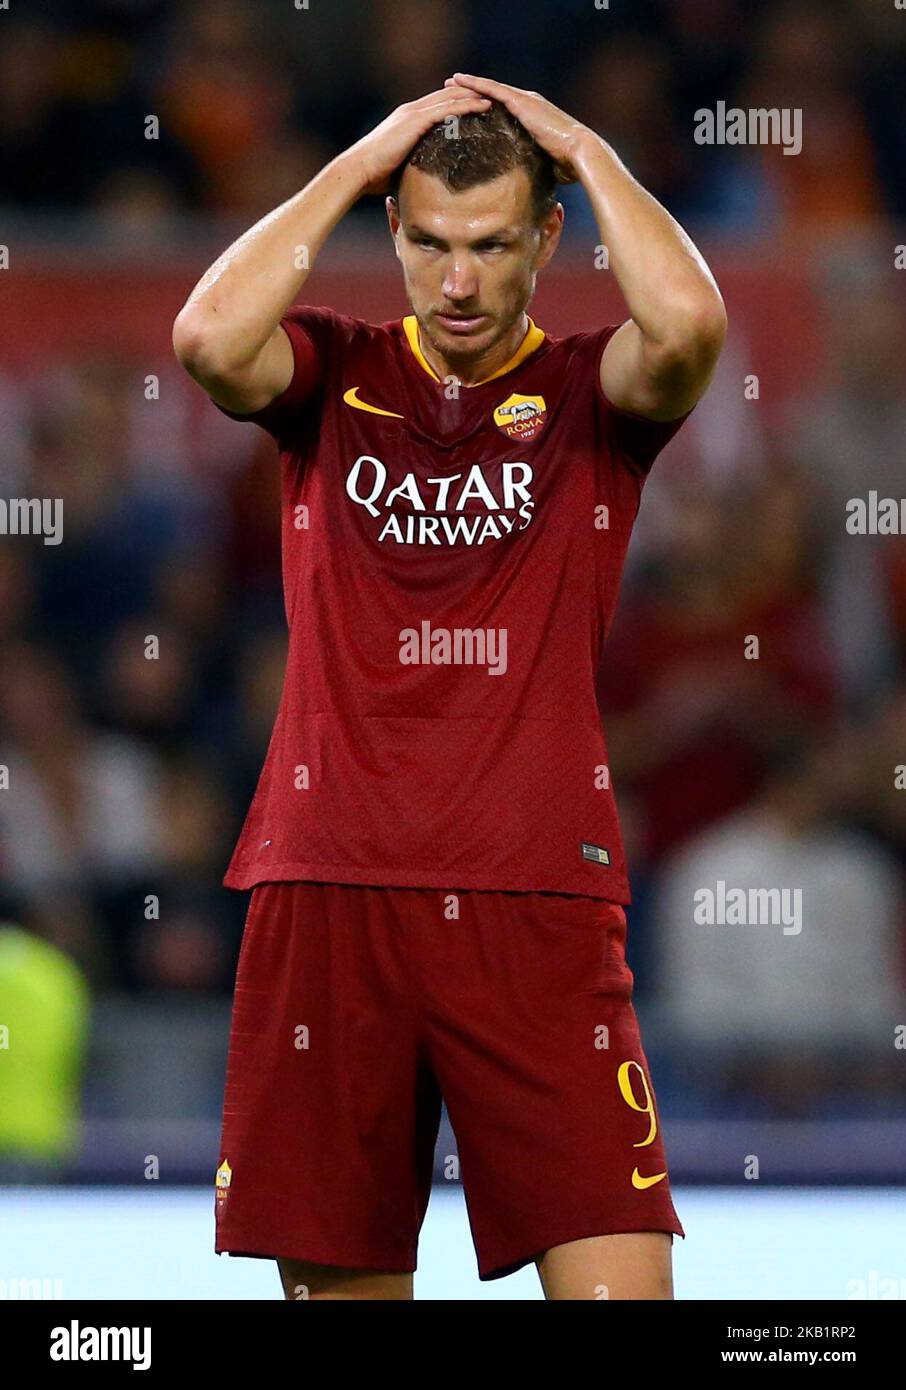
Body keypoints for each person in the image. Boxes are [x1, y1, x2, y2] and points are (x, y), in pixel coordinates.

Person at [173, 75, 726, 1301]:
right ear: (394, 233)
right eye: (426, 241)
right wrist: (361, 157)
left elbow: (688, 326)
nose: (457, 282)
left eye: (488, 245)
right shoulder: (330, 372)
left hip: (535, 895)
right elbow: (209, 339)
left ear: (545, 240)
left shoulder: (594, 396)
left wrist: (581, 145)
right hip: (329, 885)